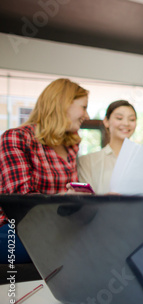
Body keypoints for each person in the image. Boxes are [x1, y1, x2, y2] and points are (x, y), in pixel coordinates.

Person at [77, 100, 143, 273]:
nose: (126, 123)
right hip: (106, 224)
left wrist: (142, 210)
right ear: (106, 122)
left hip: (142, 223)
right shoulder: (87, 161)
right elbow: (87, 204)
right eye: (119, 118)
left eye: (132, 119)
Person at [0, 78, 89, 263]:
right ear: (63, 104)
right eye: (84, 107)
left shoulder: (71, 146)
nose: (86, 116)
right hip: (13, 229)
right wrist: (63, 198)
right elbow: (21, 204)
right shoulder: (16, 138)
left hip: (56, 225)